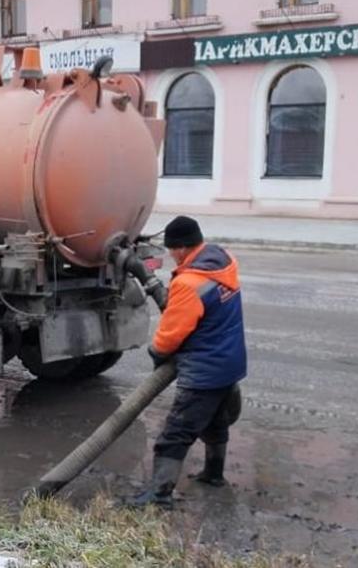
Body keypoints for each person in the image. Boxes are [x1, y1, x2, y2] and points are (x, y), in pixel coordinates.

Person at [132, 215, 247, 507]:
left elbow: (171, 334)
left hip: (203, 371)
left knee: (175, 434)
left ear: (182, 248)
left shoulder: (189, 282)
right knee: (216, 423)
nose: (171, 255)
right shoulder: (224, 261)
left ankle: (158, 495)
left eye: (172, 249)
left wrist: (156, 353)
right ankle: (213, 473)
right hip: (230, 362)